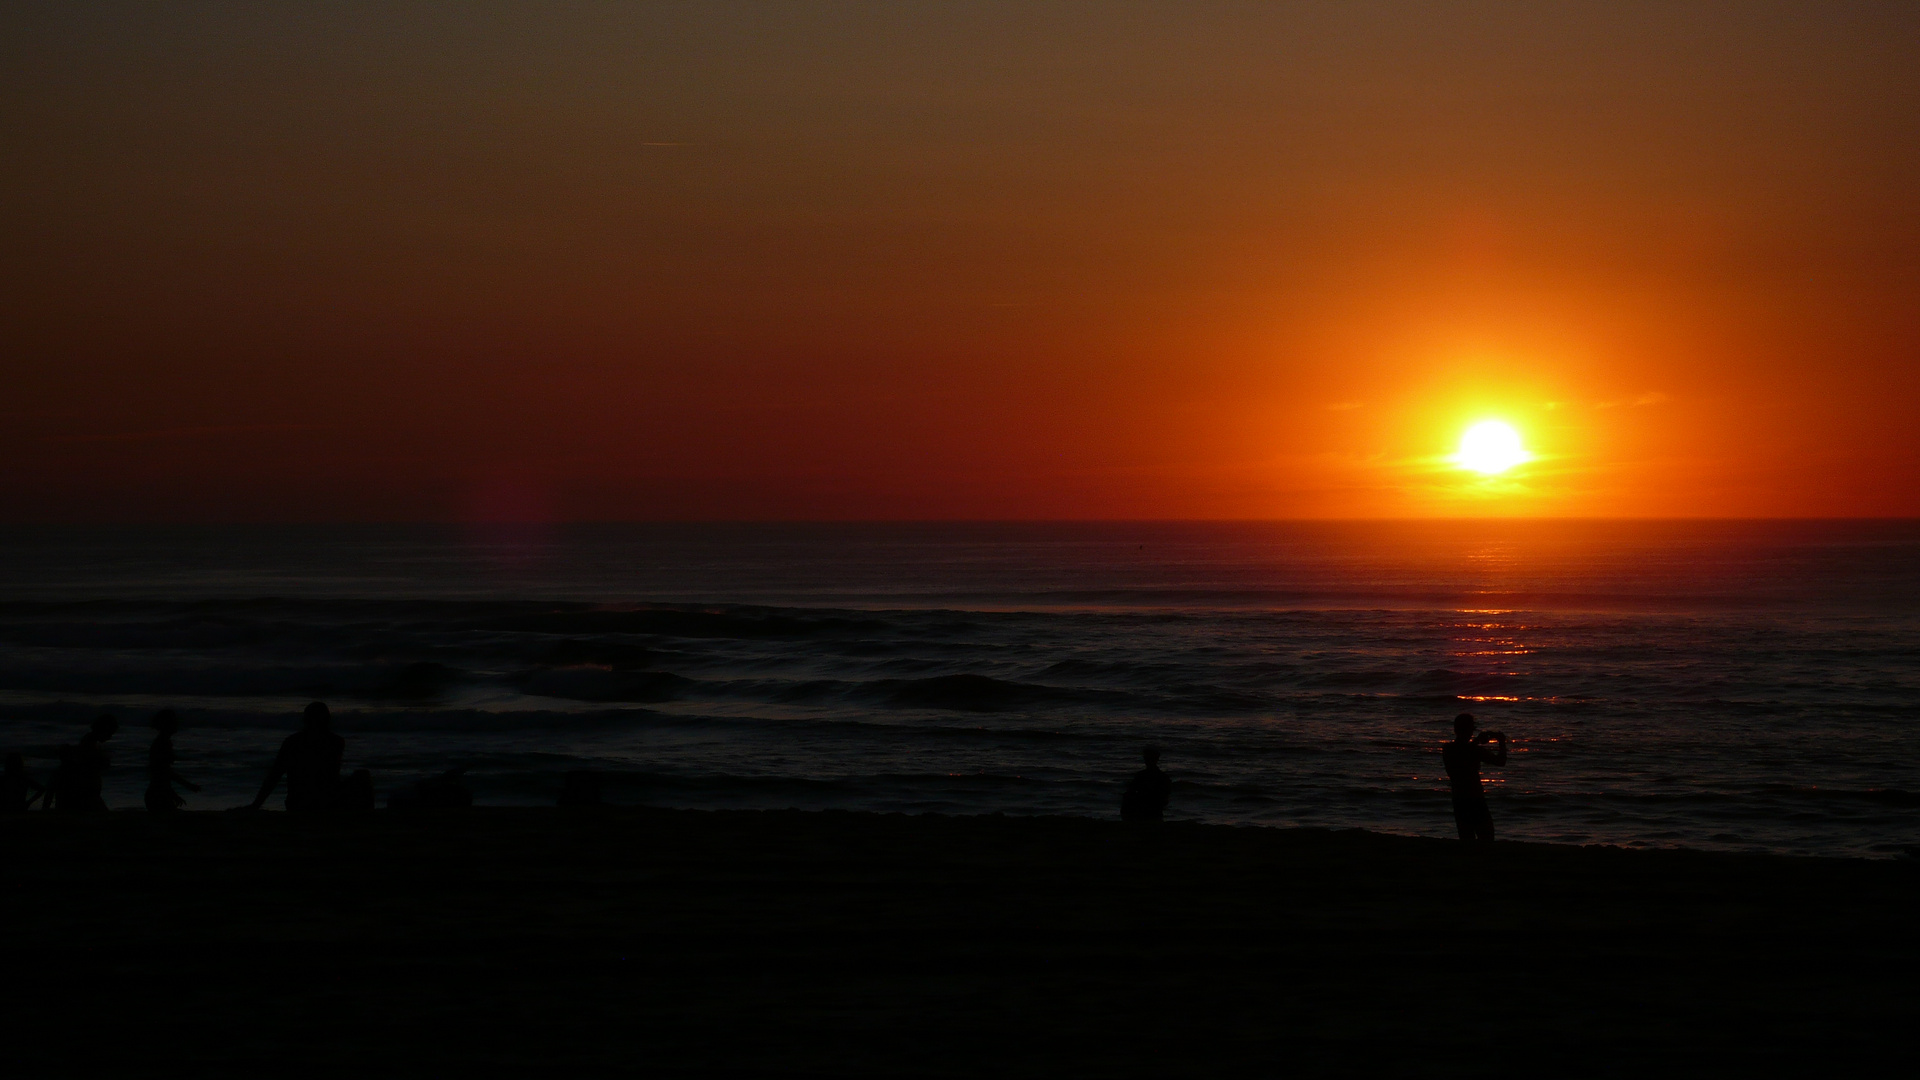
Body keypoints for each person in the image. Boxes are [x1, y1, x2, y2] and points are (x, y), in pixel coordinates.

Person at [237, 701, 345, 812]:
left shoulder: (292, 742)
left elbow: (275, 775)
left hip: (298, 802)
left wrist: (256, 804)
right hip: (326, 802)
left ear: (306, 720)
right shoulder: (336, 742)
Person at [1441, 712, 1508, 841]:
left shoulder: (1448, 749)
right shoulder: (1475, 750)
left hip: (1458, 797)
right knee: (1487, 836)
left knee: (1466, 837)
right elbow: (1501, 761)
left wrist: (1477, 741)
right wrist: (1501, 743)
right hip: (1475, 797)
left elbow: (1462, 752)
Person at [48, 714, 117, 812]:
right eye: (110, 733)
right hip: (86, 789)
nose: (110, 737)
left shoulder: (90, 741)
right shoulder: (89, 742)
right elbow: (87, 763)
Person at [144, 709, 200, 813]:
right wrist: (187, 786)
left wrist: (172, 793)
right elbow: (163, 772)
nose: (177, 724)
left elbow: (161, 774)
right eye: (174, 722)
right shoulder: (163, 743)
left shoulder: (162, 742)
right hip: (158, 795)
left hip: (158, 793)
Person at [1120, 746, 1172, 823]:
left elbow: (1130, 791)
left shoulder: (1141, 775)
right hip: (1154, 810)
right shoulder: (1163, 777)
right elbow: (1166, 797)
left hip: (1145, 809)